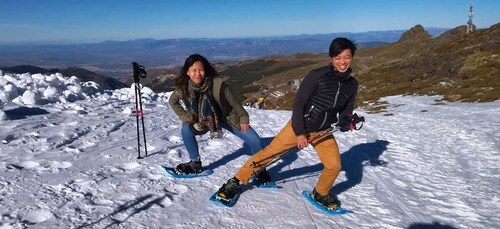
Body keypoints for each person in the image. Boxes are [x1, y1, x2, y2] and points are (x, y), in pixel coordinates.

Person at [215, 38, 359, 210]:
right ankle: (236, 182)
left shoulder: (352, 84)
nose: (342, 62)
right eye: (338, 57)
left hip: (324, 131)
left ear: (352, 58)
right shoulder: (317, 75)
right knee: (270, 154)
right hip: (300, 126)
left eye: (347, 57)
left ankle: (320, 193)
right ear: (331, 58)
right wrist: (300, 132)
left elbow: (346, 109)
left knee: (334, 165)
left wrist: (346, 121)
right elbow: (298, 104)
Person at [168, 54, 272, 182]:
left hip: (227, 117)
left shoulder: (217, 84)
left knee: (254, 140)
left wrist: (244, 118)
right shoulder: (183, 88)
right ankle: (195, 163)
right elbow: (173, 101)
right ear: (188, 72)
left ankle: (259, 168)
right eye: (194, 70)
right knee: (186, 129)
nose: (198, 74)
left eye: (201, 70)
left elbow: (234, 102)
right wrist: (186, 117)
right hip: (205, 121)